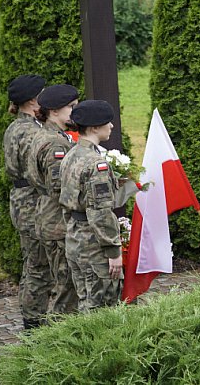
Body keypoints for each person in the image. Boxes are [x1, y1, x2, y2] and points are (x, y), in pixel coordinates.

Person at [59, 100, 123, 310]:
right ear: (94, 127)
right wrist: (113, 252)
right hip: (95, 246)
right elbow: (100, 213)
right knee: (102, 308)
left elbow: (66, 202)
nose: (111, 126)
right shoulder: (96, 164)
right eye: (107, 122)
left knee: (86, 301)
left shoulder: (71, 155)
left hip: (76, 239)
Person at [26, 84, 80, 315]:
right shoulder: (55, 144)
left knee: (65, 285)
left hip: (52, 219)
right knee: (66, 288)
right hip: (58, 223)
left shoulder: (52, 135)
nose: (75, 112)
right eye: (71, 107)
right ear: (54, 111)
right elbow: (59, 188)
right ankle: (62, 342)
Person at [3, 73, 52, 329]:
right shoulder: (31, 132)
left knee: (33, 262)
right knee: (38, 266)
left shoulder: (16, 127)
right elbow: (41, 172)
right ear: (34, 101)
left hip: (22, 201)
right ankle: (33, 323)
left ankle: (33, 317)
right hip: (33, 203)